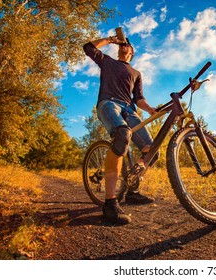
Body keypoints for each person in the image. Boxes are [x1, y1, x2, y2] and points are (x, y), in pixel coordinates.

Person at [83, 35, 156, 225]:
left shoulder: (136, 73)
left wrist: (149, 110)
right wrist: (110, 40)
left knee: (151, 149)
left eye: (127, 45)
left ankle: (132, 189)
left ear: (131, 51)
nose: (124, 46)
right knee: (122, 135)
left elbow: (139, 98)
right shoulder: (108, 62)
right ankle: (110, 203)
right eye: (122, 45)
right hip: (108, 103)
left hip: (129, 108)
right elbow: (88, 48)